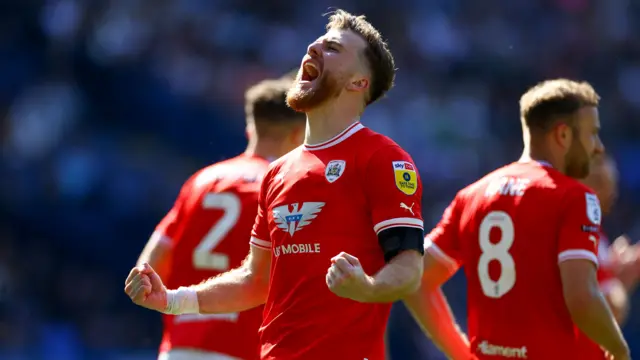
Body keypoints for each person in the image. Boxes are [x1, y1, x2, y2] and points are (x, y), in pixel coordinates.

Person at [125, 9, 425, 360]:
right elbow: (255, 280)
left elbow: (409, 268)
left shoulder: (383, 159)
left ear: (358, 83)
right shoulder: (277, 173)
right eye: (315, 43)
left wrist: (369, 287)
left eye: (332, 48)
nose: (312, 48)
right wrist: (173, 300)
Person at [404, 79, 630, 359]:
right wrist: (620, 350)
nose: (597, 147)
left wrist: (461, 353)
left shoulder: (472, 195)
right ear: (562, 136)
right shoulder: (575, 197)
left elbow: (416, 276)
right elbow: (582, 300)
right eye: (592, 134)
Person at [135, 75, 306, 360]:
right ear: (297, 135)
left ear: (250, 130)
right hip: (245, 348)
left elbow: (149, 267)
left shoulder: (200, 181)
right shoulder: (284, 187)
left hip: (180, 347)